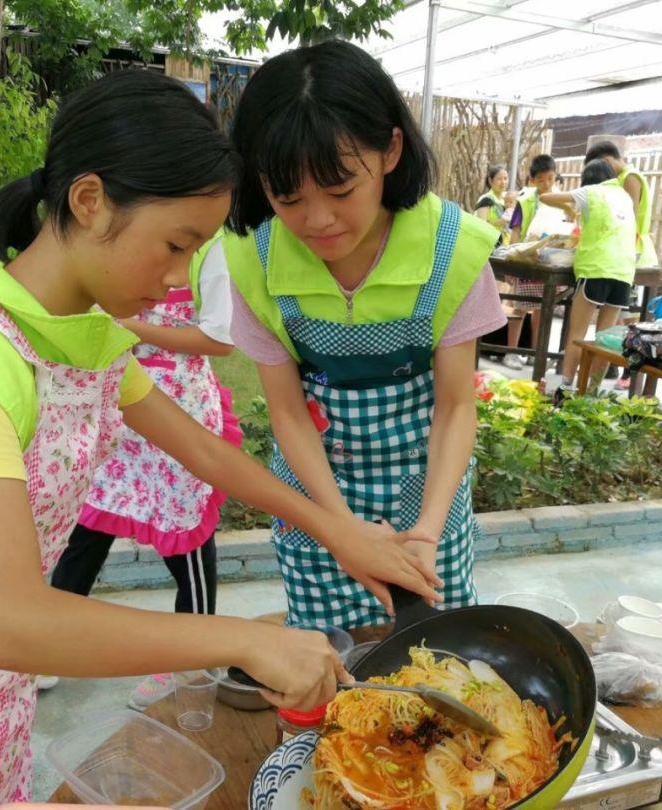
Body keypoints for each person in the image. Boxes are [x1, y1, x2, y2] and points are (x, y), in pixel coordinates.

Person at [0, 70, 442, 809]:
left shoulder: (83, 338)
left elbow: (206, 453)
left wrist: (339, 532)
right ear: (90, 201)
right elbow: (14, 621)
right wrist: (243, 639)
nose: (179, 278)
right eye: (175, 245)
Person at [212, 41, 505, 630]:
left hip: (427, 496)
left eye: (341, 189)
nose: (318, 220)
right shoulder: (251, 258)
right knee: (330, 661)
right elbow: (289, 414)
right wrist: (340, 527)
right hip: (318, 494)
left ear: (391, 149)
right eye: (288, 197)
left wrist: (425, 530)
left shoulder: (453, 250)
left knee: (434, 650)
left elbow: (454, 407)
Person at [49, 234, 241, 709]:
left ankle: (190, 658)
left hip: (179, 414)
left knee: (187, 541)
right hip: (120, 412)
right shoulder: (125, 231)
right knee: (88, 526)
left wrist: (132, 327)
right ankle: (47, 647)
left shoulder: (213, 251)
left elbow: (219, 340)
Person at [541, 159, 637, 392]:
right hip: (624, 271)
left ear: (589, 179)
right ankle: (590, 393)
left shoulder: (591, 191)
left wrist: (568, 205)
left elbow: (545, 197)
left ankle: (565, 386)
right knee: (604, 340)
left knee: (577, 332)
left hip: (596, 267)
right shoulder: (624, 196)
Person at [504, 154, 561, 368]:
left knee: (541, 309)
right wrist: (513, 263)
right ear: (532, 180)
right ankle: (511, 352)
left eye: (550, 179)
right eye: (541, 180)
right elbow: (516, 232)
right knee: (519, 307)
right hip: (526, 261)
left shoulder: (560, 200)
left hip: (548, 263)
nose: (546, 184)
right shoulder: (525, 201)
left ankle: (535, 353)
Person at [585, 140, 659, 268]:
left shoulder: (630, 177)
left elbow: (628, 217)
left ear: (607, 161)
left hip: (633, 248)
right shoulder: (620, 178)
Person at [473, 164, 516, 240]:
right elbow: (480, 224)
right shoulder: (486, 199)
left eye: (505, 178)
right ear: (490, 181)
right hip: (488, 242)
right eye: (499, 179)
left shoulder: (508, 199)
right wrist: (498, 222)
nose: (503, 182)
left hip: (505, 244)